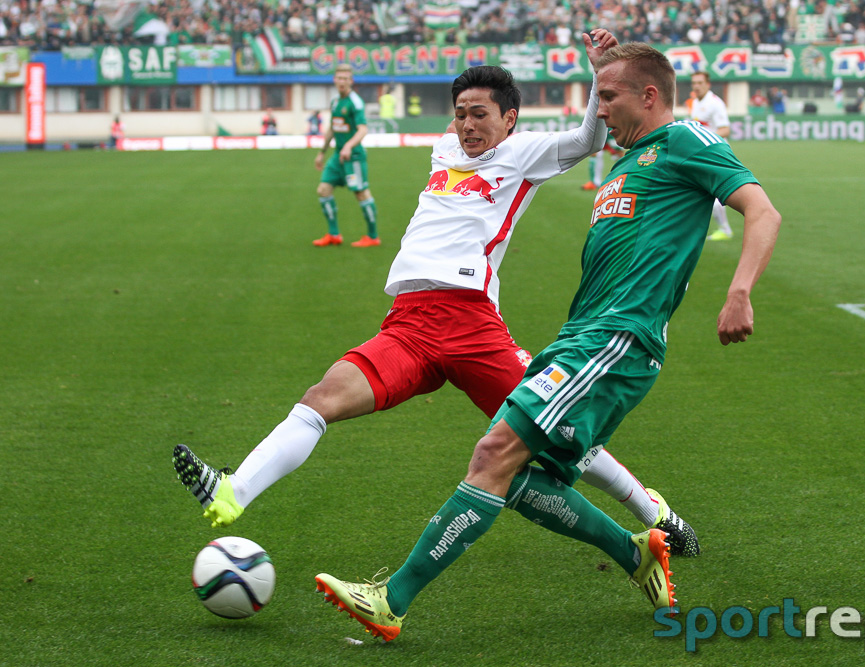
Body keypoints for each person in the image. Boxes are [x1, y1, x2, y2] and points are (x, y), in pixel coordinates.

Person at [174, 31, 696, 594]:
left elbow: (591, 139)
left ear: (511, 118)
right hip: (408, 324)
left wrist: (598, 78)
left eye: (481, 115)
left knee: (558, 430)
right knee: (321, 399)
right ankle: (232, 491)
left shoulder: (525, 155)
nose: (468, 125)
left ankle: (655, 515)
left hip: (472, 323)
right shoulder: (444, 150)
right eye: (461, 115)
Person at [315, 42, 781, 642]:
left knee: (493, 456)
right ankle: (634, 550)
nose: (600, 109)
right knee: (518, 474)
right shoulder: (629, 163)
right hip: (578, 340)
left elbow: (761, 210)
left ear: (648, 95)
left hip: (617, 341)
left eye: (608, 96)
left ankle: (392, 599)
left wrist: (739, 291)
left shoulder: (687, 140)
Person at [313, 64, 380, 248]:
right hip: (337, 156)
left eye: (345, 79)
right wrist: (321, 153)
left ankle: (373, 236)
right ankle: (334, 234)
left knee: (361, 193)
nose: (342, 82)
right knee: (323, 190)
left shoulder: (355, 102)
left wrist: (349, 146)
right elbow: (333, 129)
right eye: (339, 78)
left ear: (351, 81)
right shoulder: (335, 102)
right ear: (334, 80)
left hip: (354, 157)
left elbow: (363, 129)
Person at [690, 71, 733, 241]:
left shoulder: (715, 103)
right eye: (694, 83)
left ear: (708, 84)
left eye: (700, 82)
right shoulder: (695, 102)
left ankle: (725, 229)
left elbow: (725, 129)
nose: (697, 86)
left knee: (712, 195)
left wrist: (705, 137)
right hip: (703, 153)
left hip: (717, 154)